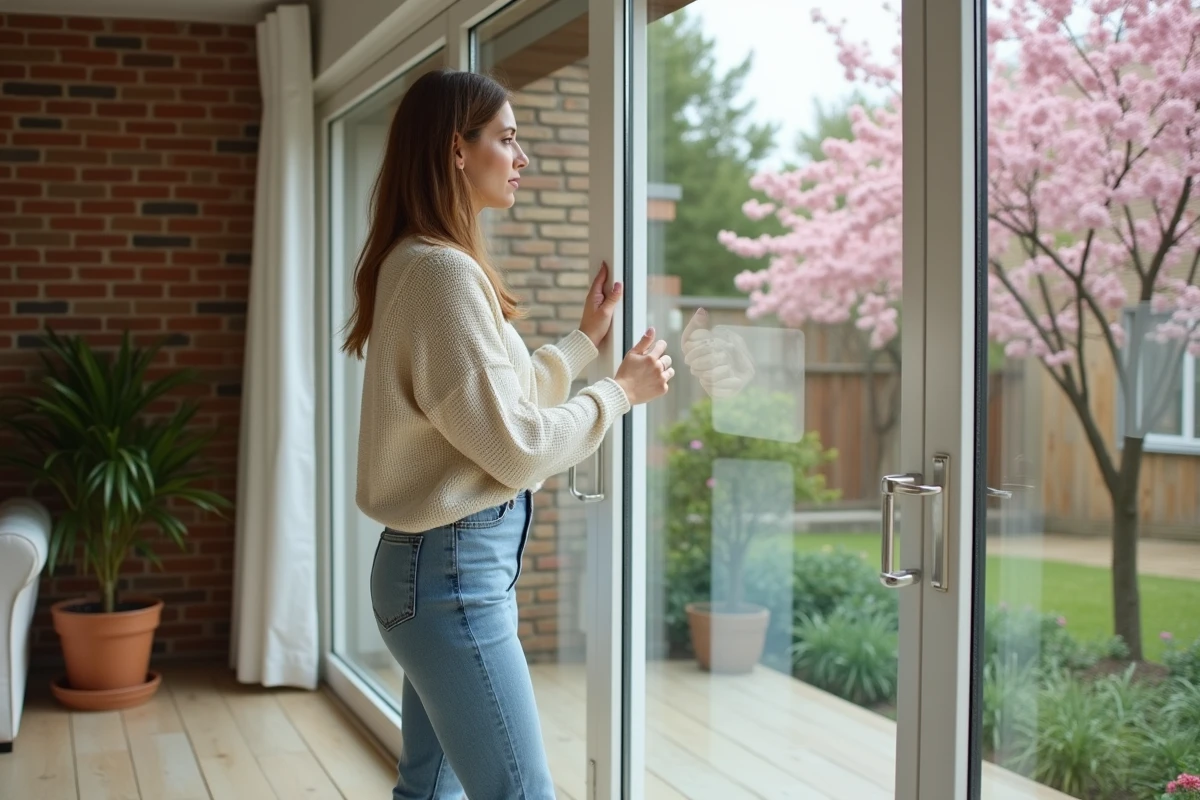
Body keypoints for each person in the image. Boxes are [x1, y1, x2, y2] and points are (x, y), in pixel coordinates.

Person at [340, 67, 674, 800]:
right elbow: (517, 442)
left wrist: (585, 345)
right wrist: (619, 394)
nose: (521, 159)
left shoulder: (421, 262)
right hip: (452, 576)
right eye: (508, 139)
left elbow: (493, 400)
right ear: (457, 151)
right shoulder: (441, 275)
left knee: (429, 793)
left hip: (435, 571)